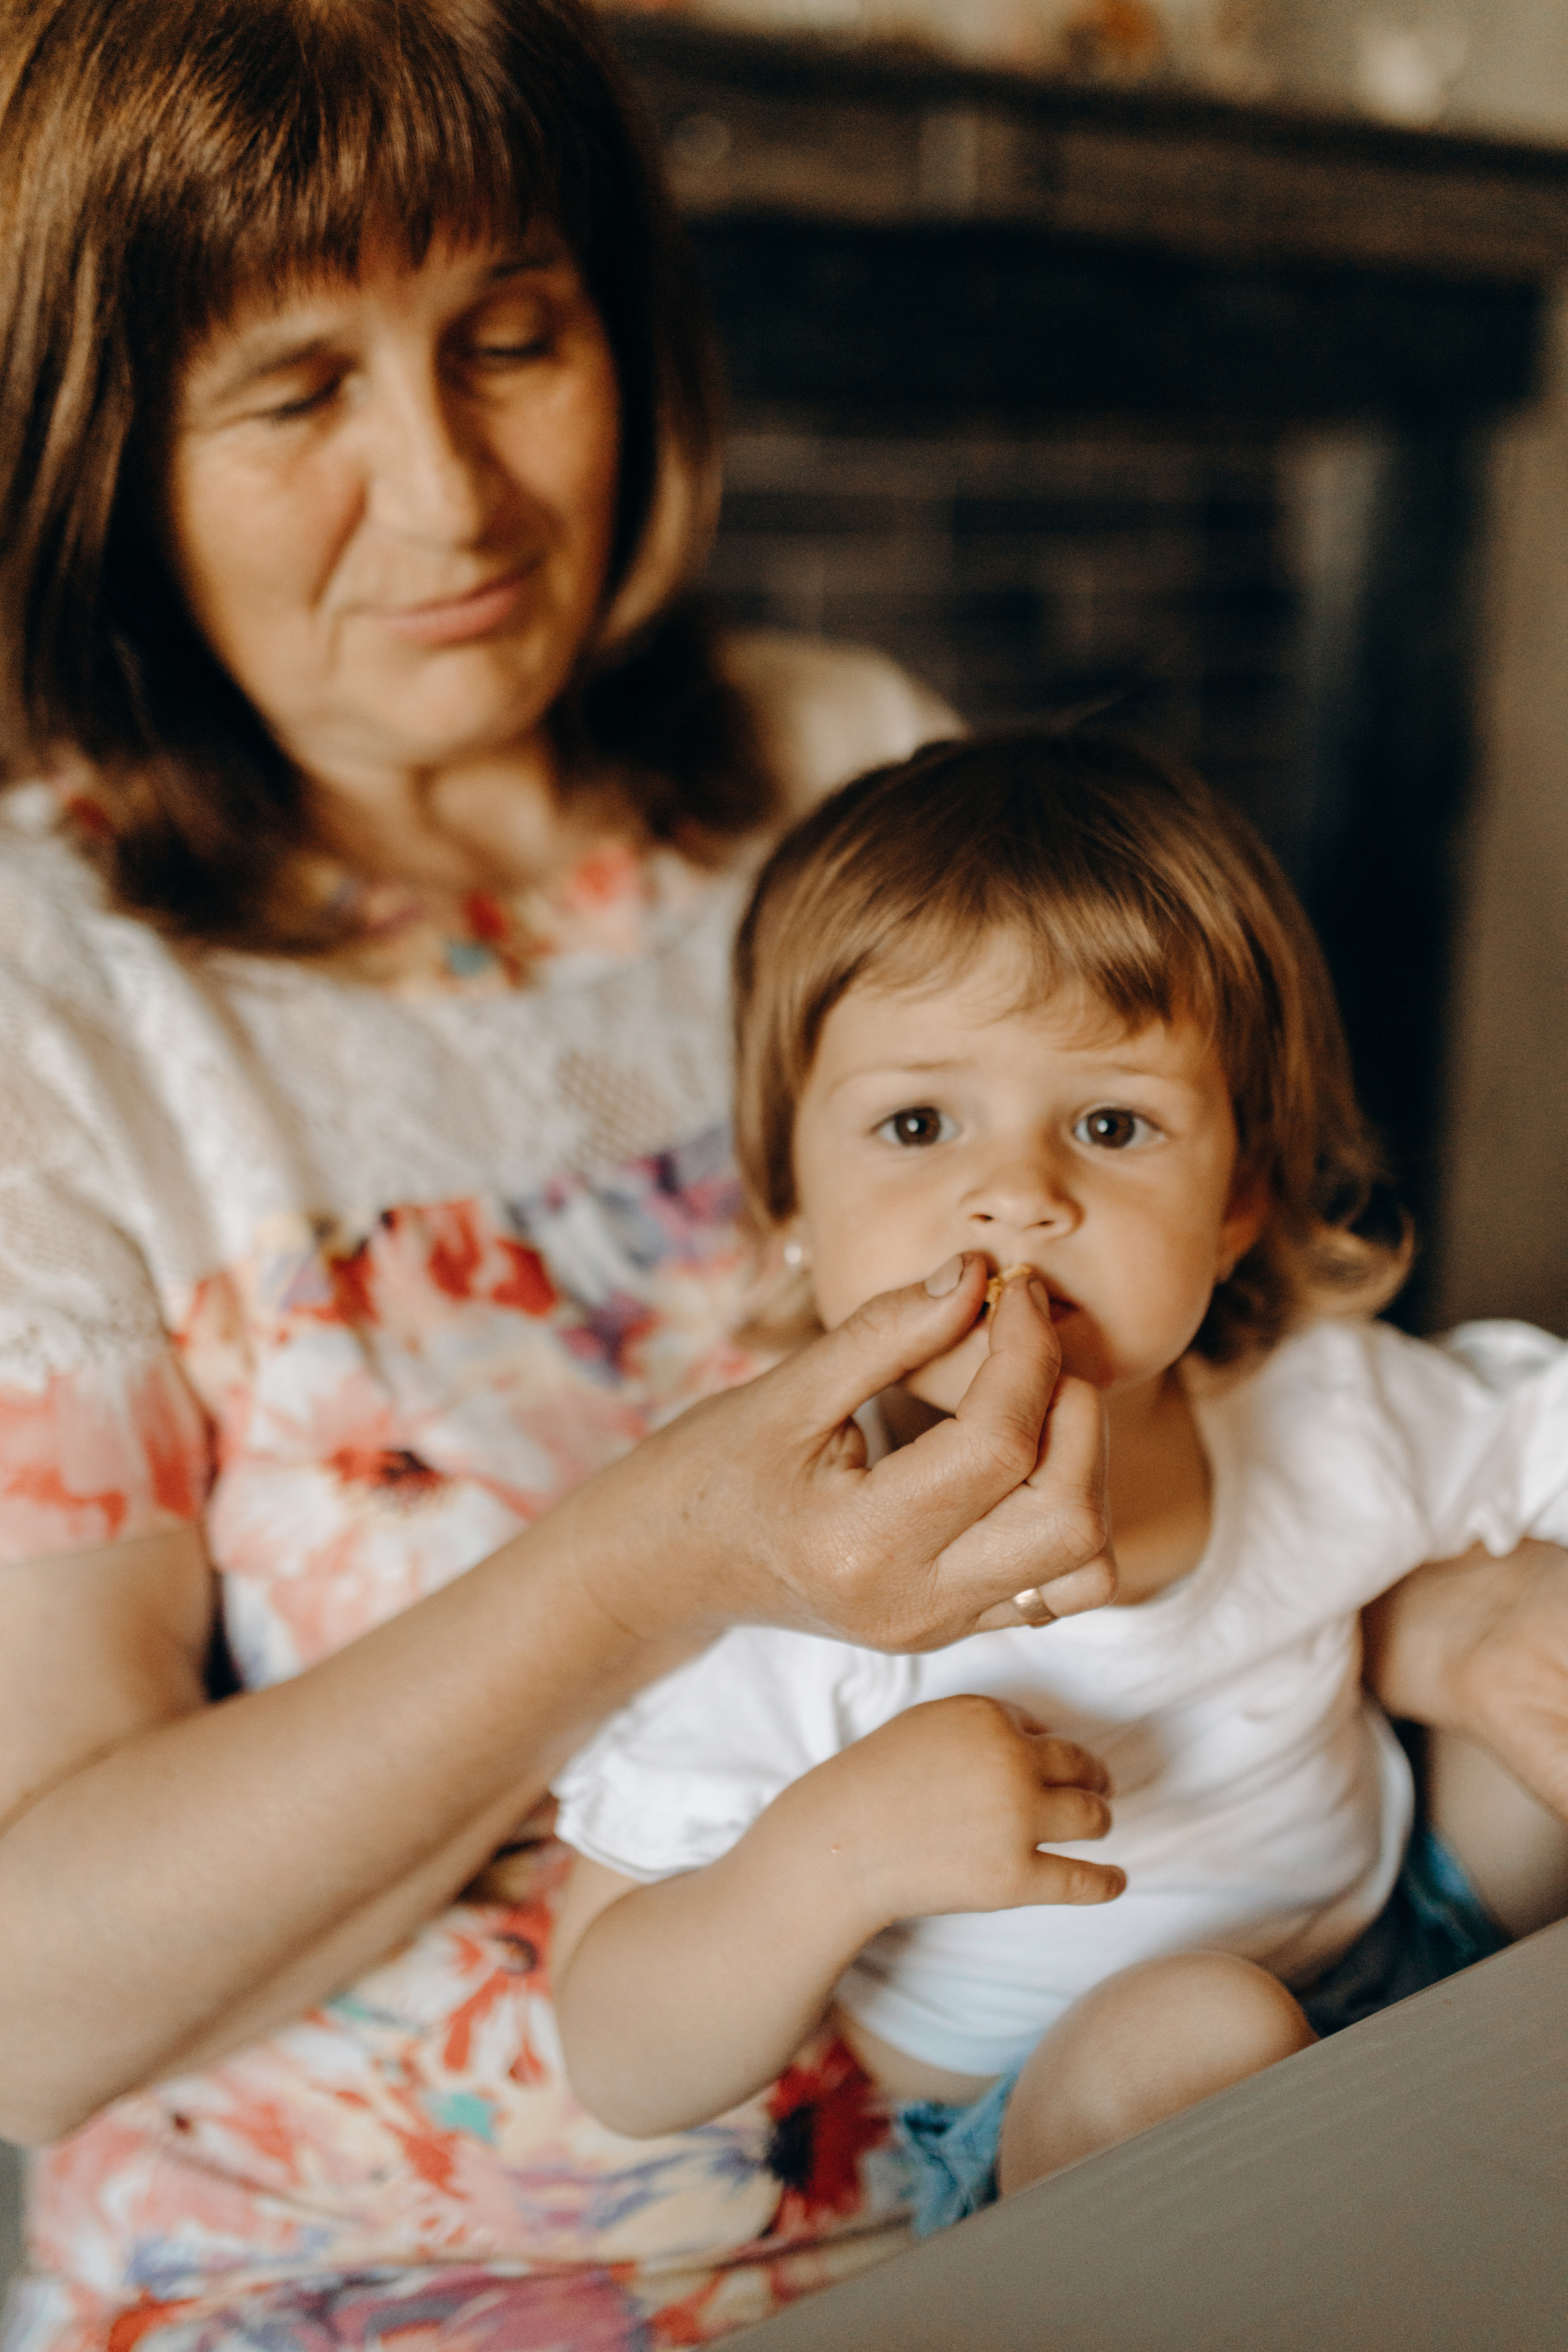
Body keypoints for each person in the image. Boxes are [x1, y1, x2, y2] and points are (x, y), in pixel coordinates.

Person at [0, 2, 1562, 2347]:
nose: (448, 497)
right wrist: (675, 1559)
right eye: (298, 391)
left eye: (511, 339)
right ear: (103, 458)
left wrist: (1402, 1614)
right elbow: (30, 2010)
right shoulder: (53, 1007)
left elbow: (1219, 1346)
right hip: (423, 2279)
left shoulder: (847, 765)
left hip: (1175, 2116)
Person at [549, 733, 1568, 2234]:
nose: (1016, 1194)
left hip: (1403, 1933)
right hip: (1055, 2105)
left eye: (1108, 1125)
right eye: (916, 1124)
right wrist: (821, 1863)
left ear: (1237, 1198)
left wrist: (1481, 1619)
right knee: (1201, 2032)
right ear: (786, 1201)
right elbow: (616, 2054)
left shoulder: (1326, 1412)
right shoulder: (786, 1568)